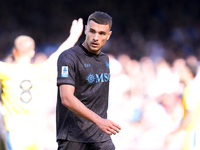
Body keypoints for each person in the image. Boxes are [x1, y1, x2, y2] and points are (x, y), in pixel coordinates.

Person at [0, 18, 83, 150]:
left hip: (16, 132)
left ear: (14, 51)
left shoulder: (5, 71)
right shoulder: (40, 71)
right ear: (32, 52)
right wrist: (74, 36)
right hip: (37, 132)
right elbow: (59, 55)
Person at [56, 11, 121, 150]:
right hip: (73, 136)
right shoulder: (69, 57)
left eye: (102, 33)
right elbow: (66, 98)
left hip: (100, 136)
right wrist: (99, 121)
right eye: (92, 31)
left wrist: (100, 123)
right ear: (85, 29)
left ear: (108, 35)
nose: (96, 37)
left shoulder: (105, 59)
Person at [165, 56, 200, 150]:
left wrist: (174, 133)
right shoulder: (192, 88)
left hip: (193, 133)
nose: (179, 74)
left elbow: (190, 115)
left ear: (189, 73)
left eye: (182, 71)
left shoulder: (190, 90)